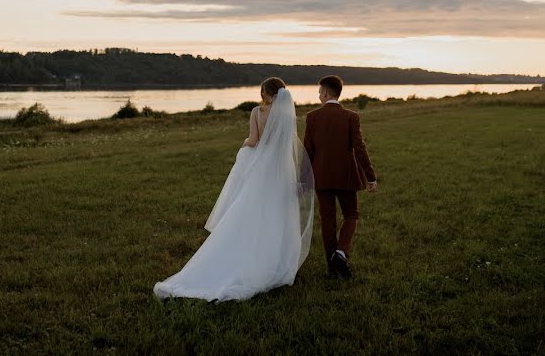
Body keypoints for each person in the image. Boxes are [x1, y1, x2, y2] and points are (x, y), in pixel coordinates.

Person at [153, 77, 315, 301]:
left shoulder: (257, 112)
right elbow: (286, 145)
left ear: (265, 93)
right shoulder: (288, 116)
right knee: (277, 213)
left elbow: (254, 140)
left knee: (252, 211)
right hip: (281, 171)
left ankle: (241, 255)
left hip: (261, 170)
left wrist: (244, 144)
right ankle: (274, 260)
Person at [303, 75, 378, 278]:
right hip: (346, 176)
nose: (319, 95)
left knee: (328, 222)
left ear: (326, 93)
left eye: (320, 92)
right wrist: (371, 177)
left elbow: (307, 151)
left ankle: (332, 268)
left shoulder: (312, 117)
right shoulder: (351, 116)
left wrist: (303, 179)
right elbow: (359, 149)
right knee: (351, 215)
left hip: (321, 178)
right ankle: (341, 253)